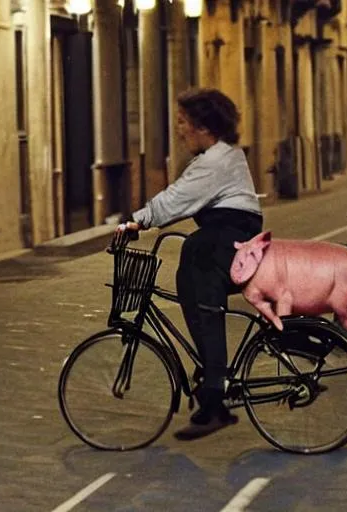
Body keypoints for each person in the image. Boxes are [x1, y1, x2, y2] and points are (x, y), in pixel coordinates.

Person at [117, 88, 263, 439]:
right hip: (224, 234)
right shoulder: (216, 157)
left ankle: (215, 389)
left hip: (227, 236)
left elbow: (177, 198)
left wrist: (137, 221)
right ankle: (214, 389)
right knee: (191, 276)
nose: (179, 129)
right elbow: (182, 192)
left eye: (183, 122)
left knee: (203, 292)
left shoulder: (217, 160)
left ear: (203, 126)